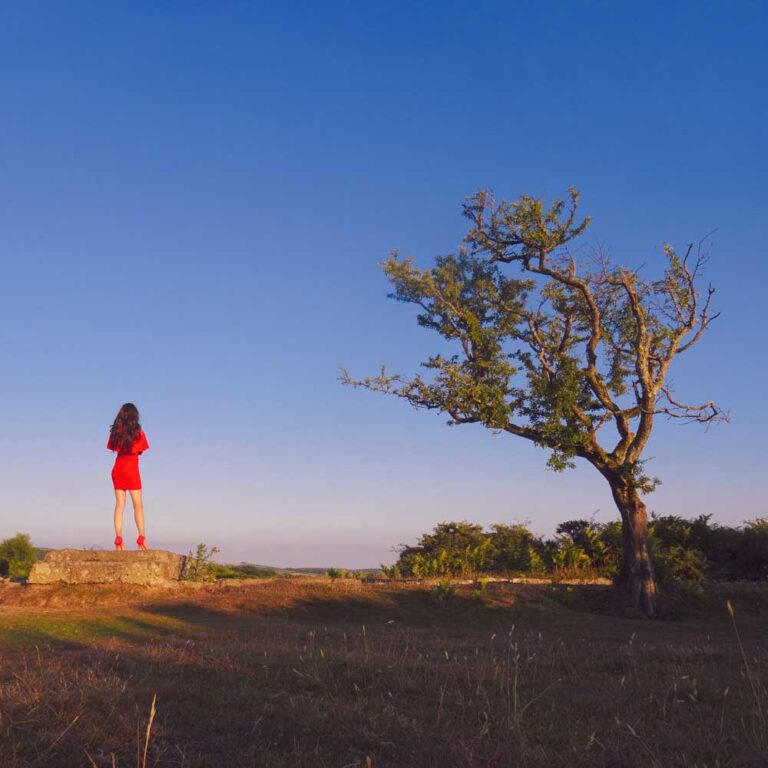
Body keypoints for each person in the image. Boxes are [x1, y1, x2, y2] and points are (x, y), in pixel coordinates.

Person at [107, 402, 150, 551]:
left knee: (120, 505)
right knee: (138, 506)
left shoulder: (117, 432)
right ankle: (141, 538)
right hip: (132, 469)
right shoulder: (138, 432)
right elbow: (141, 450)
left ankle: (118, 539)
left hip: (118, 469)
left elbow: (113, 448)